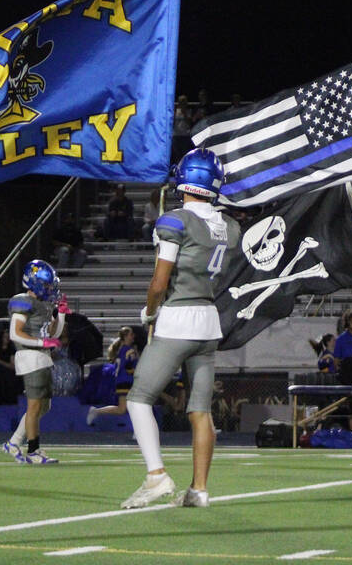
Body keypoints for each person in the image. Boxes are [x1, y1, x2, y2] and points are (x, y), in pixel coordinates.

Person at [121, 148, 241, 510]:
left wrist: (149, 311)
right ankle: (199, 490)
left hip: (178, 317)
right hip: (208, 320)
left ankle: (156, 476)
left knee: (139, 398)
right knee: (199, 409)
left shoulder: (175, 221)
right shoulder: (231, 227)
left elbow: (161, 280)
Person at [2, 259, 67, 465]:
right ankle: (33, 450)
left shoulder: (42, 305)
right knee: (34, 406)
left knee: (43, 407)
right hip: (30, 357)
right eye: (48, 285)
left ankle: (13, 442)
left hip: (41, 357)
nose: (51, 290)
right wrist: (42, 341)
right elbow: (15, 333)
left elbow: (53, 333)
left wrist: (62, 315)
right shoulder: (23, 301)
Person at [87, 326, 138, 420]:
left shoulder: (121, 350)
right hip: (126, 381)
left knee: (131, 408)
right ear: (126, 336)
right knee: (123, 409)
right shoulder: (129, 351)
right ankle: (96, 411)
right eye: (131, 334)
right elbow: (129, 367)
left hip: (121, 381)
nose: (133, 336)